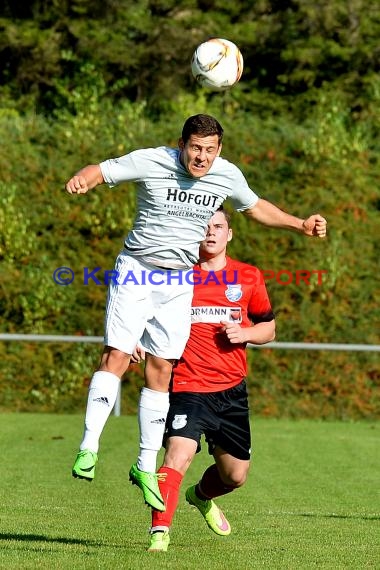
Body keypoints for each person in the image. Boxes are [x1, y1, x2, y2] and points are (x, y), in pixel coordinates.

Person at [65, 113, 326, 512]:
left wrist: (299, 224)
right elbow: (101, 170)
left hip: (179, 280)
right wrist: (84, 178)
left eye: (209, 150)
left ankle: (144, 465)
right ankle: (88, 448)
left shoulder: (226, 175)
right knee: (117, 355)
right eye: (195, 148)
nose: (201, 157)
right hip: (137, 268)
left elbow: (254, 208)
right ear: (181, 144)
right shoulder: (153, 160)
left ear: (218, 150)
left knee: (162, 367)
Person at [147, 208, 275, 552]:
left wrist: (245, 331)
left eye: (218, 226)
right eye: (204, 226)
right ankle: (159, 533)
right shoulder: (177, 275)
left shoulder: (248, 276)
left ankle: (201, 495)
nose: (210, 232)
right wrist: (135, 343)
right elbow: (146, 314)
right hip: (187, 386)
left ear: (229, 234)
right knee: (178, 455)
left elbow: (269, 328)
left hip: (232, 390)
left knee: (235, 476)